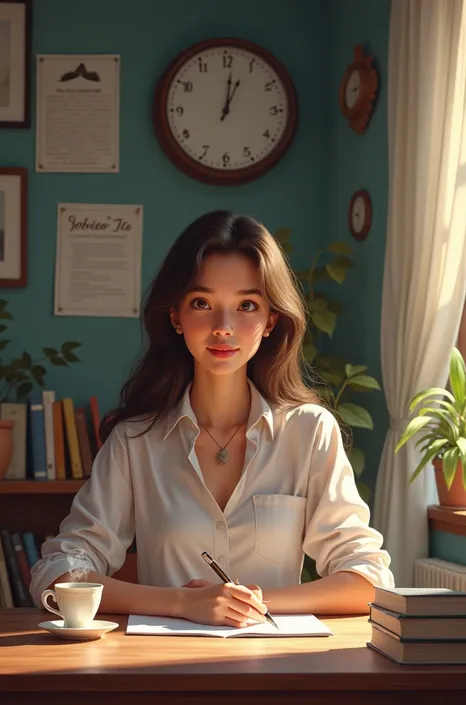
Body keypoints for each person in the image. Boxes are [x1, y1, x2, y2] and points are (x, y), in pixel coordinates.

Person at [30, 210, 394, 628]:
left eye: (246, 305)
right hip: (161, 679)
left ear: (271, 320)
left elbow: (369, 579)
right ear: (176, 316)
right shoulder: (136, 441)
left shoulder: (310, 433)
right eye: (202, 303)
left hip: (277, 676)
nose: (224, 327)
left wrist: (252, 603)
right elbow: (57, 572)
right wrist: (182, 604)